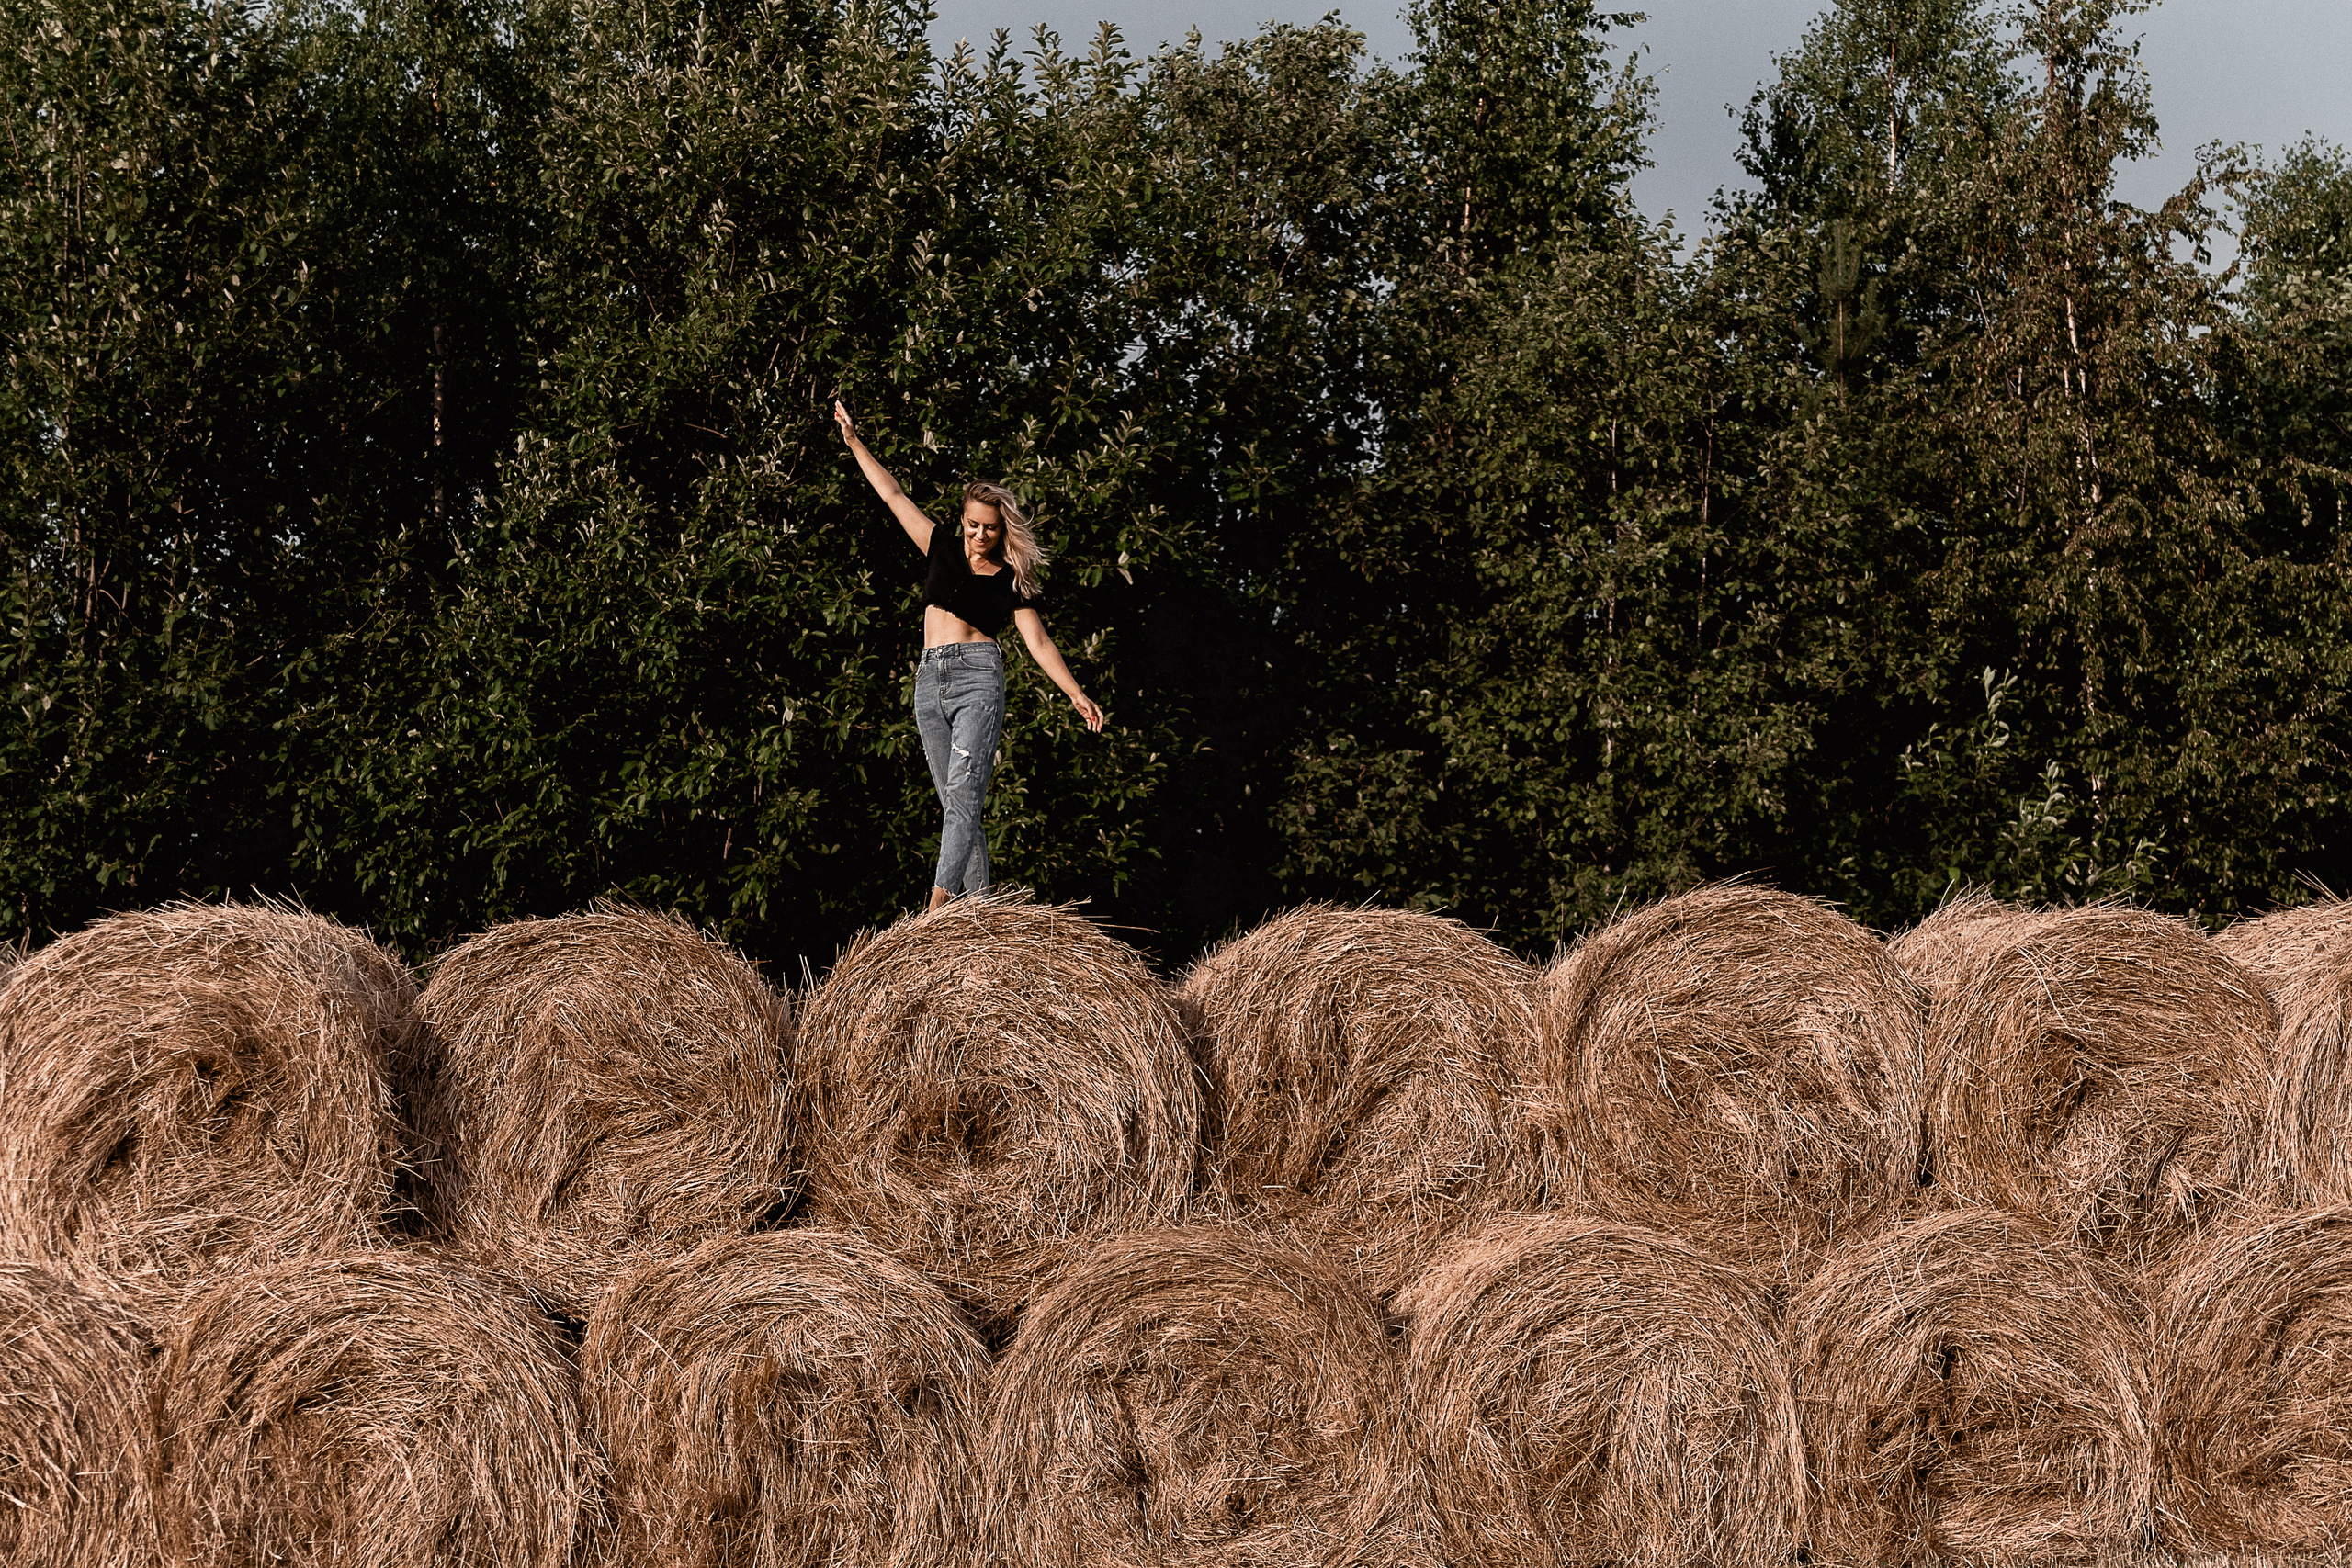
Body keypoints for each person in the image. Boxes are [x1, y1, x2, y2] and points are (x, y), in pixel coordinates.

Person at [834, 400, 1106, 913]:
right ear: (962, 520)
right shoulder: (937, 545)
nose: (981, 535)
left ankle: (936, 911)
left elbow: (1039, 642)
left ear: (1004, 532)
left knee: (962, 797)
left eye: (991, 528)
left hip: (977, 679)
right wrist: (853, 442)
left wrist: (1075, 693)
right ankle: (978, 919)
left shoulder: (1010, 579)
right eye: (974, 525)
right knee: (959, 805)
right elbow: (892, 494)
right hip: (928, 680)